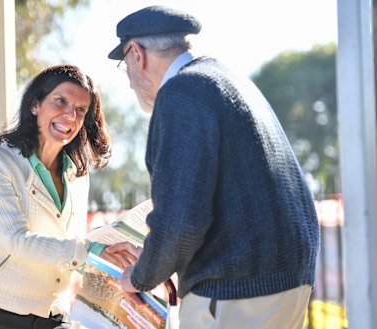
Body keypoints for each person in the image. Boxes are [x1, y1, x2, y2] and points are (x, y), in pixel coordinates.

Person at [106, 6, 320, 329]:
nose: (130, 82)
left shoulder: (180, 92)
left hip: (237, 290)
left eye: (124, 65)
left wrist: (137, 277)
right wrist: (155, 259)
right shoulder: (227, 80)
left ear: (137, 54)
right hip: (286, 283)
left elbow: (181, 221)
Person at [0, 64, 139, 329]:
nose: (70, 115)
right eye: (60, 101)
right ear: (35, 105)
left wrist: (113, 263)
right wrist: (90, 251)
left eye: (80, 110)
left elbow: (70, 249)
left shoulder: (77, 177)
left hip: (52, 316)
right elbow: (15, 241)